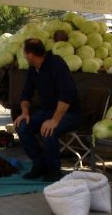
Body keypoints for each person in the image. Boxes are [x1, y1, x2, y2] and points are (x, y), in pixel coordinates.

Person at [14, 38, 81, 182]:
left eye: (24, 53)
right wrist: (25, 113)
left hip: (70, 113)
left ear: (30, 54)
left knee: (49, 130)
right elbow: (26, 94)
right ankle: (39, 164)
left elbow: (67, 95)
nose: (24, 56)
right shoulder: (33, 69)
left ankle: (54, 170)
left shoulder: (56, 63)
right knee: (22, 126)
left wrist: (54, 120)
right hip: (48, 112)